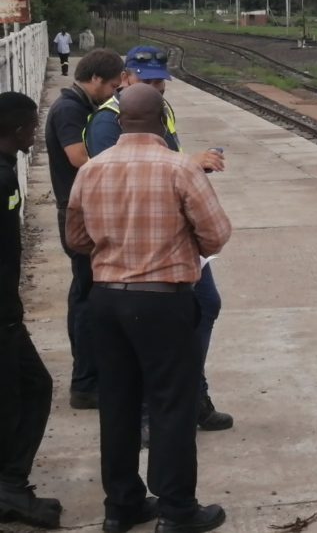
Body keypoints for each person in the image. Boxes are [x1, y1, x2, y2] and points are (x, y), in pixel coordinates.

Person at [66, 84, 232, 533]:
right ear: (162, 122)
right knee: (171, 404)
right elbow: (216, 235)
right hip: (161, 300)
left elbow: (76, 240)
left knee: (118, 404)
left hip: (106, 300)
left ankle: (122, 507)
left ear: (120, 122)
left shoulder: (92, 170)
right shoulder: (181, 169)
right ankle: (177, 511)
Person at [84, 45, 233, 433]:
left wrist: (189, 169)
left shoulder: (160, 109)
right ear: (126, 77)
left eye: (159, 80)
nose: (155, 85)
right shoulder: (106, 122)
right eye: (146, 78)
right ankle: (155, 415)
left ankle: (194, 394)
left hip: (177, 236)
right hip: (142, 245)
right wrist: (188, 166)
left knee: (205, 308)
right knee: (156, 336)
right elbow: (118, 180)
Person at [43, 47, 123, 409]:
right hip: (76, 212)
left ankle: (90, 377)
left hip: (83, 209)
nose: (113, 93)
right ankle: (86, 383)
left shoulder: (80, 105)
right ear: (93, 79)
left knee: (86, 294)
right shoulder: (69, 109)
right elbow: (78, 158)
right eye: (110, 86)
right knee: (88, 299)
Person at [0, 93, 61, 530]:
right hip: (1, 315)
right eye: (31, 127)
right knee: (26, 393)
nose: (33, 134)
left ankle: (10, 484)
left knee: (28, 390)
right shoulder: (1, 178)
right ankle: (10, 488)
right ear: (19, 129)